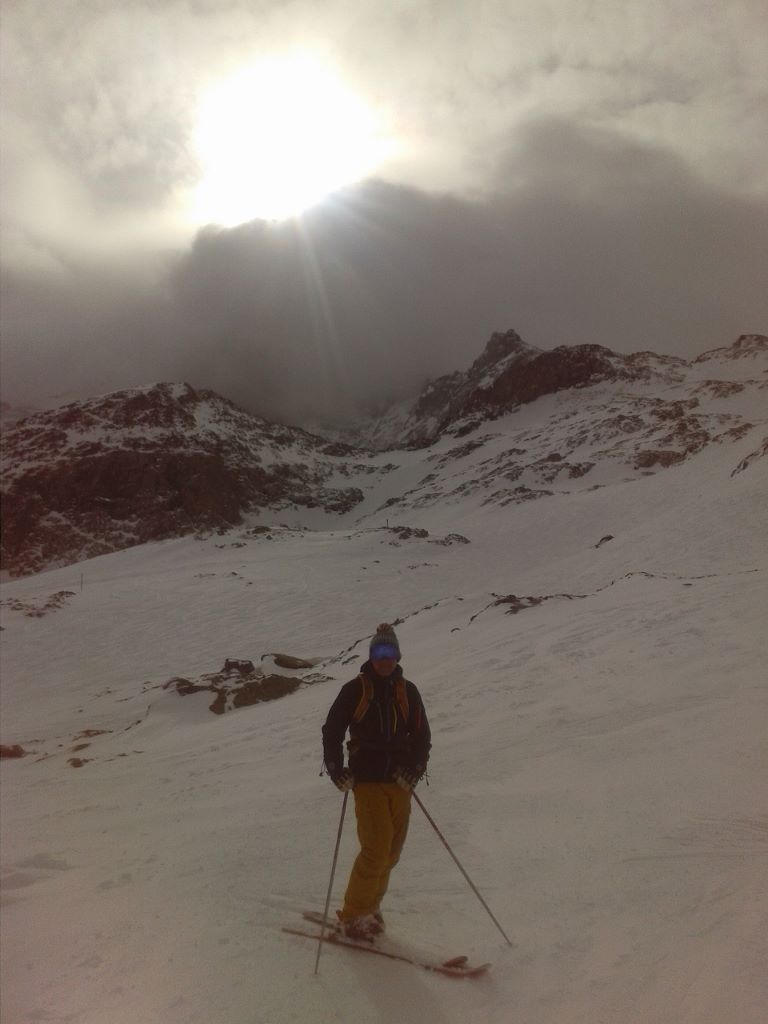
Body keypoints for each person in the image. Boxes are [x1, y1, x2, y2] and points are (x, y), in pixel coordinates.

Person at [322, 623, 431, 940]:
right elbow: (332, 730)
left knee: (392, 852)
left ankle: (370, 907)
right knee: (376, 849)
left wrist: (416, 768)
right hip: (367, 780)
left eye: (390, 652)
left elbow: (422, 735)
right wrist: (336, 769)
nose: (385, 659)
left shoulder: (408, 692)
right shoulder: (355, 690)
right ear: (371, 656)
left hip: (400, 782)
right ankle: (354, 915)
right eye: (380, 652)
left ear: (398, 656)